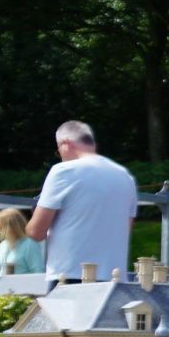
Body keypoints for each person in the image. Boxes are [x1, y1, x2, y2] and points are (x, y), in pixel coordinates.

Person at [26, 121, 137, 282]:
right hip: (114, 280)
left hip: (70, 275)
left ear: (65, 144)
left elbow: (36, 232)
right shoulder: (126, 177)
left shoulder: (63, 171)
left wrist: (34, 220)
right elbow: (125, 229)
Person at [0, 209, 45, 276]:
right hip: (2, 285)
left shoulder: (30, 244)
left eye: (1, 228)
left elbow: (38, 272)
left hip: (23, 285)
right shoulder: (2, 245)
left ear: (10, 228)